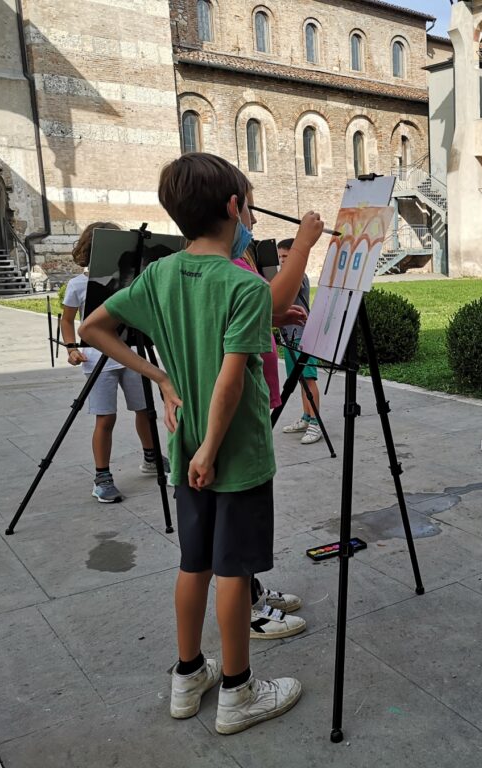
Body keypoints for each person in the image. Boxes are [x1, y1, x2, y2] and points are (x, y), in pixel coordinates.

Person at [79, 152, 314, 735]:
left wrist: (160, 377)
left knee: (195, 563)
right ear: (235, 207)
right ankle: (238, 690)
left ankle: (188, 675)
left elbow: (92, 328)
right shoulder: (242, 284)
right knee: (234, 571)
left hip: (186, 449)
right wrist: (212, 447)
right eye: (249, 206)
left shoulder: (158, 275)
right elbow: (233, 380)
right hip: (233, 453)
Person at [229, 198, 324, 641]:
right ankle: (246, 614)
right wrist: (303, 244)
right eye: (250, 211)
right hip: (236, 417)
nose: (254, 222)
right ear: (233, 208)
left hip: (247, 408)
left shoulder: (232, 263)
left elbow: (255, 313)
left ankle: (252, 593)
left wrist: (272, 318)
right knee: (236, 528)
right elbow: (260, 307)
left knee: (242, 522)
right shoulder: (230, 266)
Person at [60, 222, 167, 503]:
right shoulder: (78, 284)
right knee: (106, 417)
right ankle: (102, 476)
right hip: (97, 357)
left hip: (131, 352)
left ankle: (151, 457)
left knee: (144, 409)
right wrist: (71, 348)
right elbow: (68, 320)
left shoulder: (130, 281)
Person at [276, 238, 323, 445]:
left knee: (309, 379)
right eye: (280, 257)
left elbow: (282, 297)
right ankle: (306, 417)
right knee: (300, 380)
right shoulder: (283, 276)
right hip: (289, 336)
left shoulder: (298, 277)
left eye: (286, 256)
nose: (282, 261)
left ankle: (316, 422)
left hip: (304, 335)